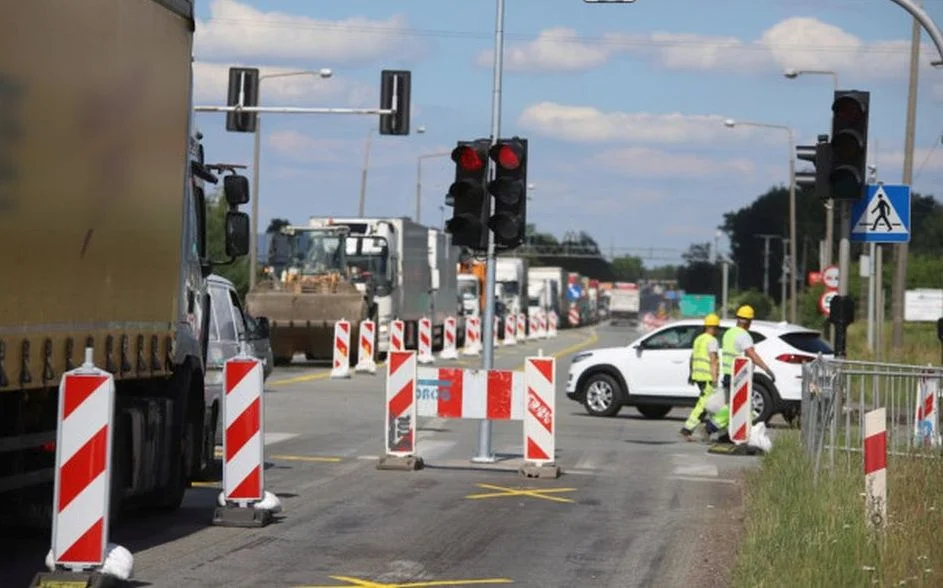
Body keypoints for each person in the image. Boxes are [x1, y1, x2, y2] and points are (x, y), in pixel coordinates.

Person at [706, 305, 776, 441]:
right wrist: (766, 369)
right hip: (738, 376)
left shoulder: (729, 333)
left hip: (727, 374)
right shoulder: (744, 335)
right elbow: (751, 354)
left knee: (732, 404)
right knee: (739, 406)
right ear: (749, 321)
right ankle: (712, 426)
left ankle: (725, 434)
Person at [680, 313, 721, 441]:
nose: (718, 331)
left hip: (698, 376)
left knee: (708, 404)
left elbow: (692, 357)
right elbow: (713, 360)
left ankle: (710, 430)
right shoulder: (712, 340)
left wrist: (691, 374)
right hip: (707, 377)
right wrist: (714, 379)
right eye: (717, 328)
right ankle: (687, 429)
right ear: (713, 327)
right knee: (703, 405)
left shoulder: (698, 339)